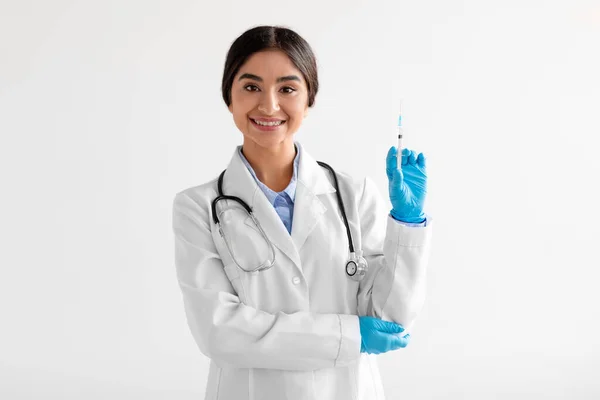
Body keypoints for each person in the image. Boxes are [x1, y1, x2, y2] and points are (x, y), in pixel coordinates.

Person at [172, 25, 433, 400]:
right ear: (228, 98)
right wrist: (349, 335)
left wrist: (407, 225)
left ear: (309, 100)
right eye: (251, 87)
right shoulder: (197, 207)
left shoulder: (353, 196)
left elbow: (390, 319)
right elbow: (219, 331)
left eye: (287, 88)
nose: (269, 105)